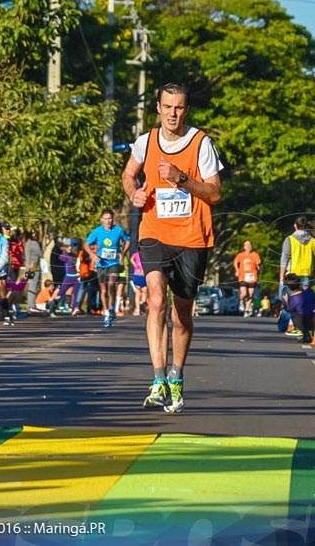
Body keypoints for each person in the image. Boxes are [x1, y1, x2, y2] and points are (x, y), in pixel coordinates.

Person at [122, 82, 223, 414]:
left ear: (186, 110)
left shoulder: (200, 143)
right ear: (158, 107)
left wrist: (181, 179)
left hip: (192, 239)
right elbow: (128, 175)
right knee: (154, 300)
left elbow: (214, 194)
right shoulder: (146, 141)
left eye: (178, 107)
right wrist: (133, 193)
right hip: (153, 233)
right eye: (167, 107)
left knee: (182, 316)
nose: (172, 113)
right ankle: (157, 377)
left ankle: (177, 374)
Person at [86, 209, 131, 326]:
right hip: (101, 263)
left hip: (114, 262)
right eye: (105, 219)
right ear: (101, 220)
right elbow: (86, 244)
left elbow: (128, 240)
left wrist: (123, 253)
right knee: (104, 289)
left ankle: (111, 308)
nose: (108, 221)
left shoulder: (118, 230)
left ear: (113, 219)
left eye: (110, 218)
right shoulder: (97, 231)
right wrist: (92, 254)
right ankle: (106, 312)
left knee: (111, 282)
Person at [279, 216, 315, 298]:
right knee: (303, 300)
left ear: (295, 226)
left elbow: (284, 258)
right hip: (307, 274)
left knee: (289, 300)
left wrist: (281, 276)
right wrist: (314, 274)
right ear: (306, 227)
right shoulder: (313, 241)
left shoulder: (290, 239)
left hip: (292, 275)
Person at [283, 273, 315, 344]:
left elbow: (290, 309)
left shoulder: (293, 298)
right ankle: (310, 332)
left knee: (293, 314)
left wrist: (286, 300)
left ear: (288, 287)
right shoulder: (308, 290)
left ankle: (304, 332)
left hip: (307, 321)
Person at [234, 240, 262, 318]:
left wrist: (259, 266)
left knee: (251, 294)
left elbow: (258, 264)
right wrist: (237, 270)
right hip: (243, 277)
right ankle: (241, 301)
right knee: (244, 294)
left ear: (251, 247)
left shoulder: (255, 254)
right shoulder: (240, 255)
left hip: (252, 278)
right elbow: (235, 262)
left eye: (249, 245)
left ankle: (246, 310)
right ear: (244, 247)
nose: (248, 247)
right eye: (246, 245)